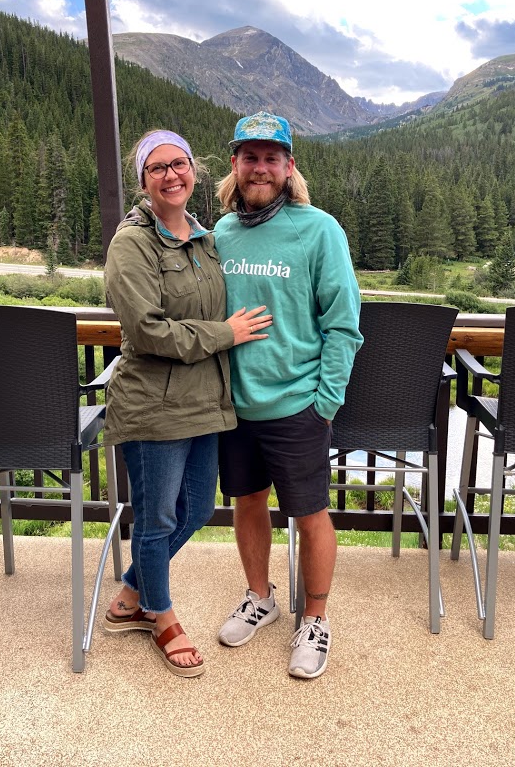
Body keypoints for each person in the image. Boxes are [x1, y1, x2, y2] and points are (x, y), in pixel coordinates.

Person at [102, 129, 272, 678]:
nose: (171, 175)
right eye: (157, 168)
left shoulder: (205, 239)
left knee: (197, 510)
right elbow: (148, 331)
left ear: (194, 170)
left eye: (179, 164)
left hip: (205, 401)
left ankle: (133, 593)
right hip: (153, 405)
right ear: (144, 181)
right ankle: (161, 615)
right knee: (155, 520)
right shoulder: (131, 244)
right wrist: (225, 334)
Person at [214, 111, 363, 679]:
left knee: (310, 514)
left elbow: (343, 324)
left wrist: (325, 403)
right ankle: (261, 597)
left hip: (299, 404)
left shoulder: (320, 229)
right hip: (235, 405)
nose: (260, 168)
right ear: (235, 164)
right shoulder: (221, 234)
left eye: (271, 158)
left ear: (288, 166)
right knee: (247, 503)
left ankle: (315, 619)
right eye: (250, 157)